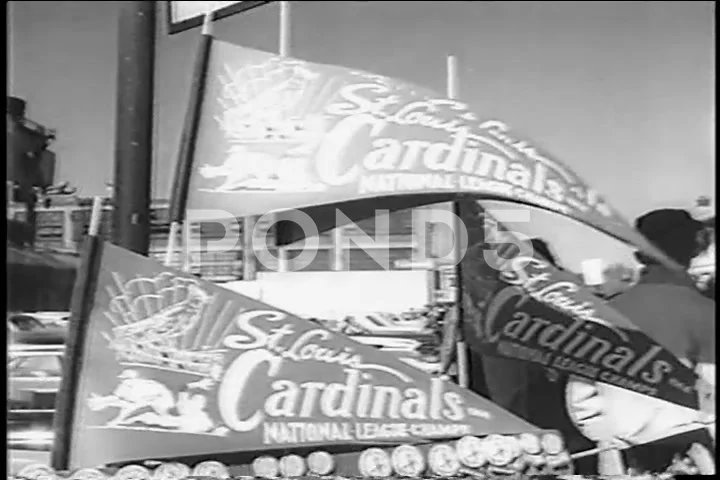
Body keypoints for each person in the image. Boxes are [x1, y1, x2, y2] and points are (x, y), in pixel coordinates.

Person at [606, 208, 715, 472]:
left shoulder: (607, 311)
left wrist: (610, 435)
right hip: (692, 454)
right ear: (694, 247)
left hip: (623, 452)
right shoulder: (703, 310)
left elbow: (582, 395)